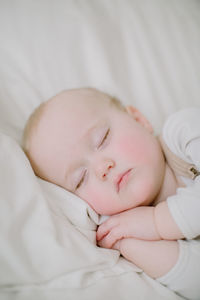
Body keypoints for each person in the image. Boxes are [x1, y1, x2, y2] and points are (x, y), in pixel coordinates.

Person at [22, 87, 200, 300]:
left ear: (138, 119)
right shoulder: (133, 232)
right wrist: (125, 242)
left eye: (102, 140)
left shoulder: (185, 131)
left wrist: (157, 222)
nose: (102, 168)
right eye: (81, 178)